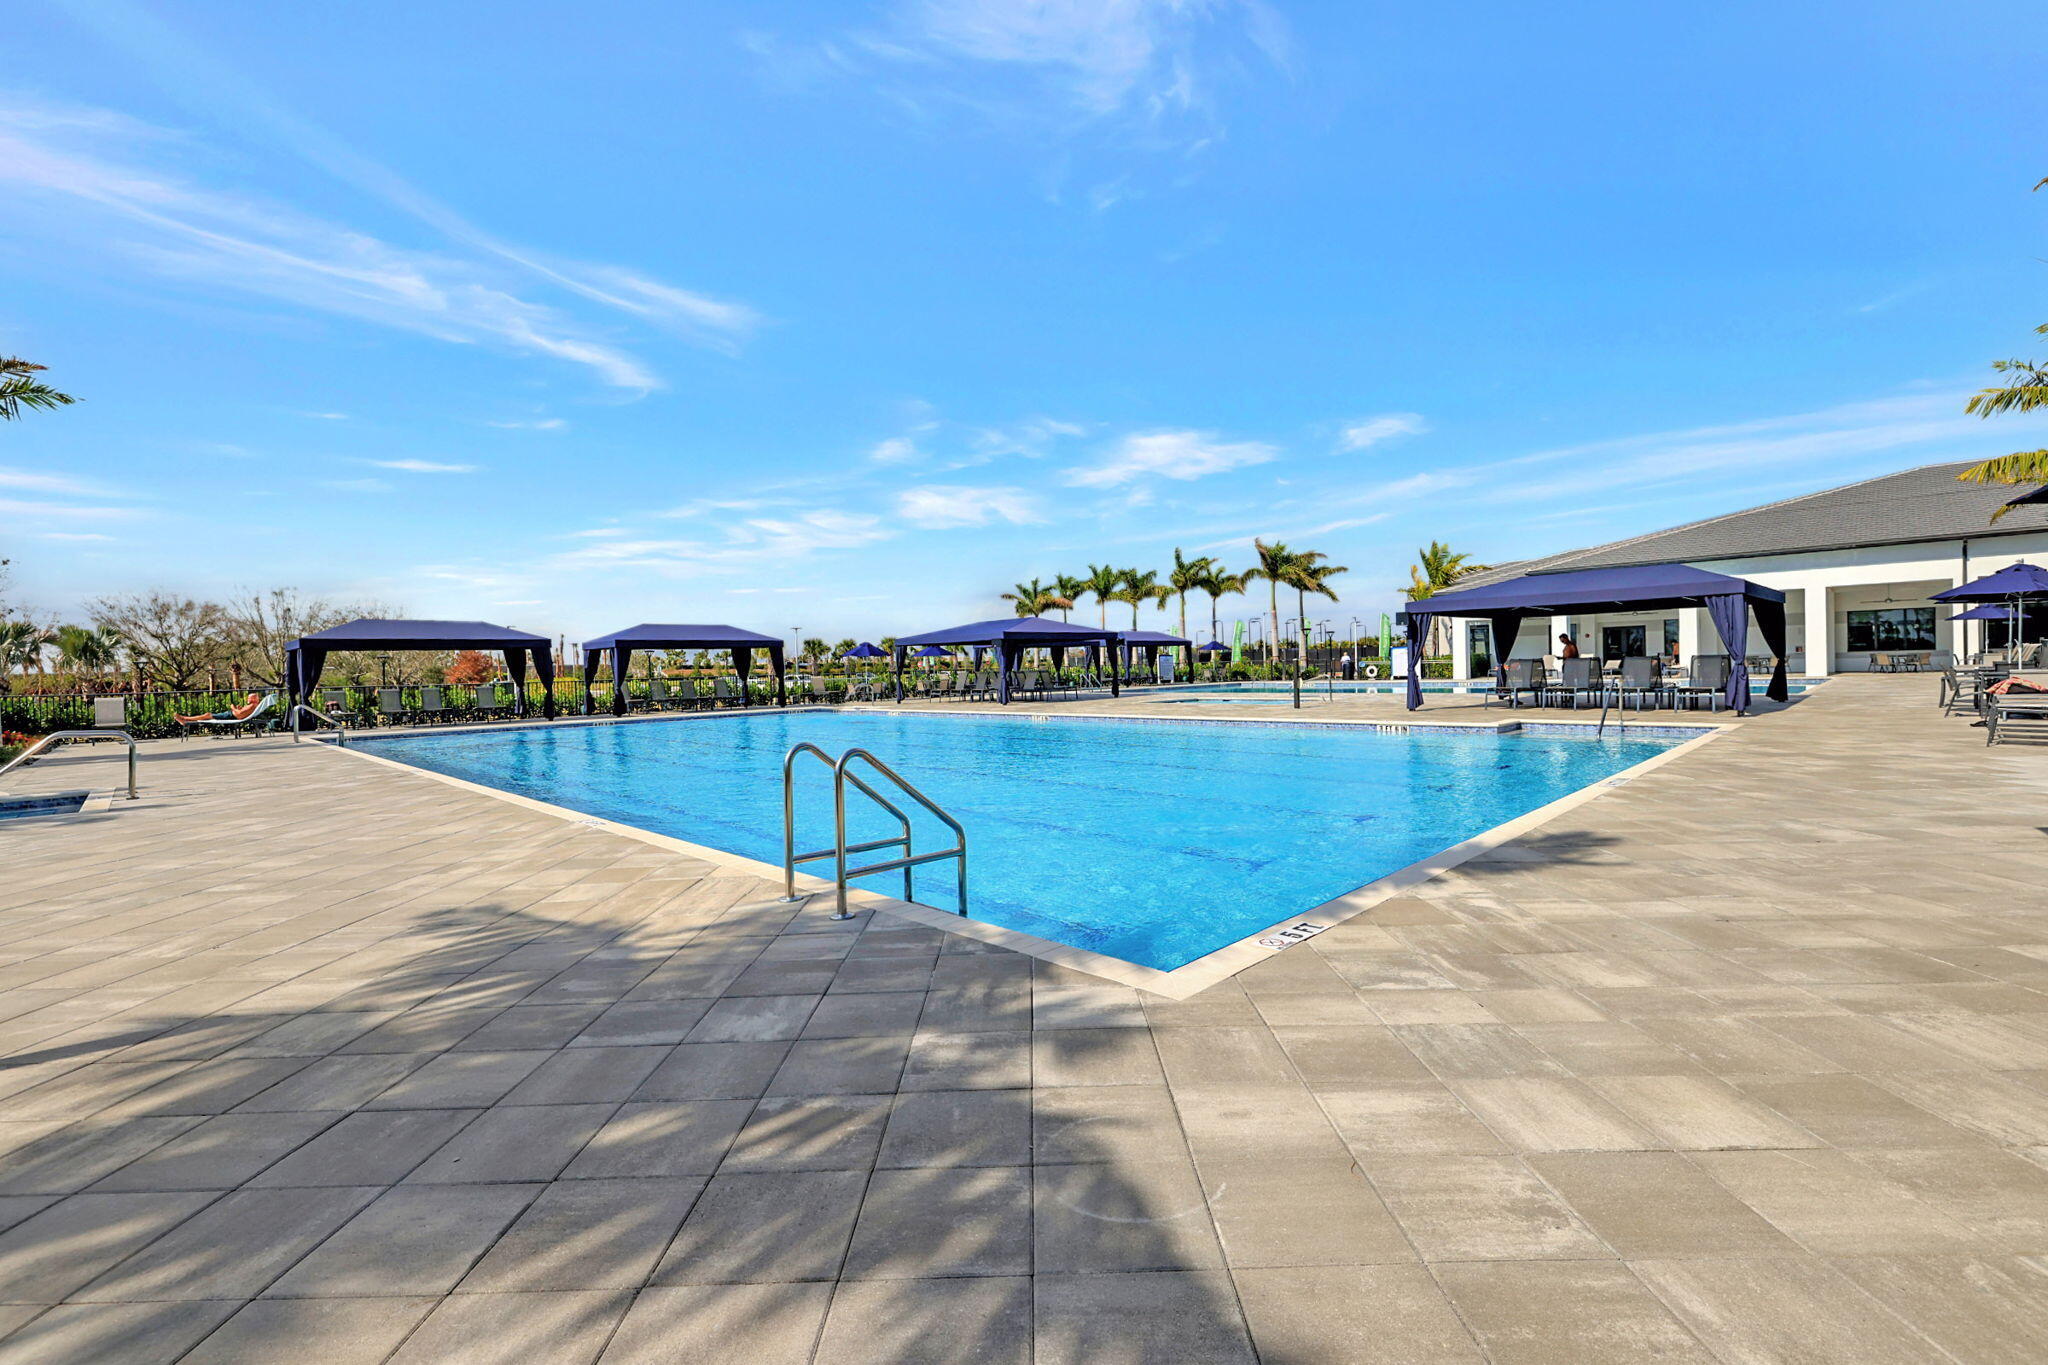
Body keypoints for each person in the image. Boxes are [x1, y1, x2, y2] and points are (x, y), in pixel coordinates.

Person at [176, 692, 263, 724]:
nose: (247, 699)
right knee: (207, 715)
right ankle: (185, 719)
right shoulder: (253, 706)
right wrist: (239, 708)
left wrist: (233, 708)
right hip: (231, 715)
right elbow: (242, 712)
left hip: (230, 715)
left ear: (253, 699)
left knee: (207, 715)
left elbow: (239, 714)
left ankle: (184, 719)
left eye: (249, 698)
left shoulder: (252, 705)